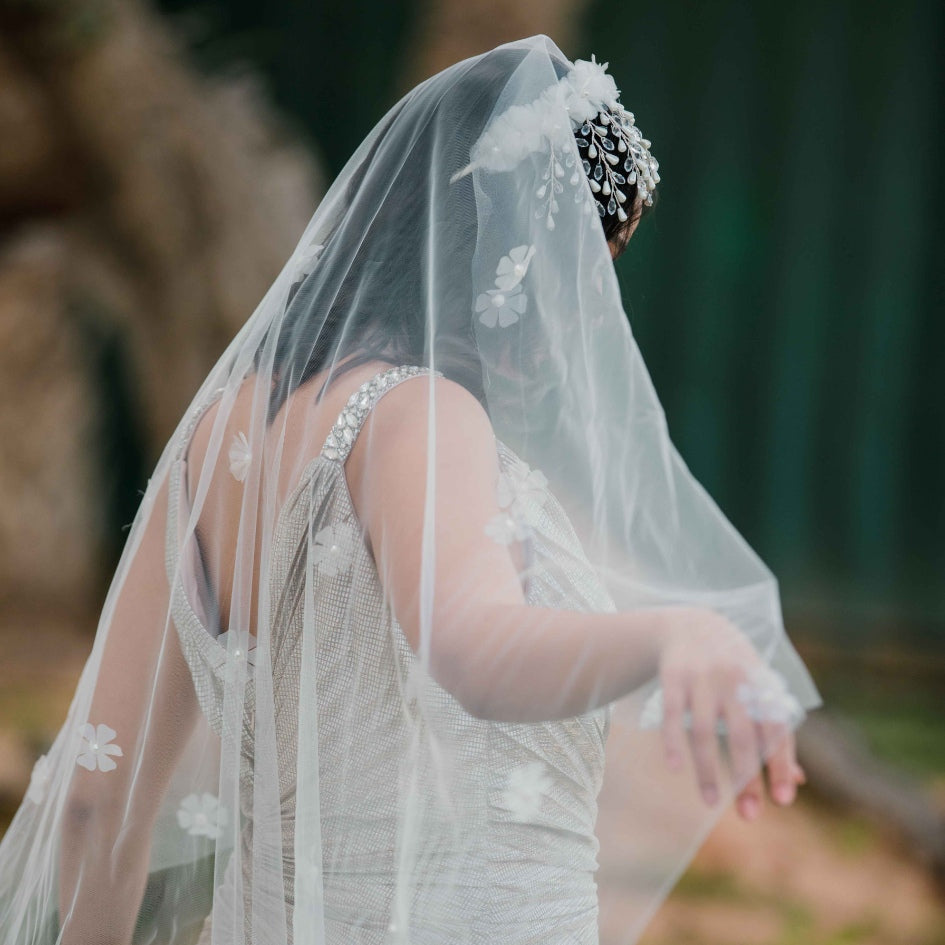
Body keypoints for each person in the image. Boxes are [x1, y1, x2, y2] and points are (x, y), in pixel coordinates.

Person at [0, 35, 822, 945]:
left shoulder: (215, 436)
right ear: (498, 247)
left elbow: (93, 799)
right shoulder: (422, 416)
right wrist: (674, 631)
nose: (581, 315)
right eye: (577, 272)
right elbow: (471, 649)